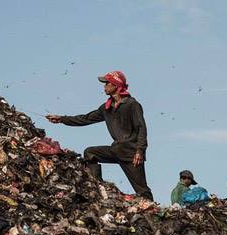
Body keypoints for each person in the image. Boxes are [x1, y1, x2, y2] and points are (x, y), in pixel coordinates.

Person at [46, 71, 153, 200]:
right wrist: (62, 119)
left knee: (142, 190)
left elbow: (141, 128)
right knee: (90, 153)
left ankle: (152, 211)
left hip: (131, 154)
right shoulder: (107, 108)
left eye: (107, 83)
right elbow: (86, 119)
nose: (105, 86)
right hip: (116, 150)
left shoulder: (132, 105)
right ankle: (98, 186)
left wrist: (140, 151)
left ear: (116, 85)